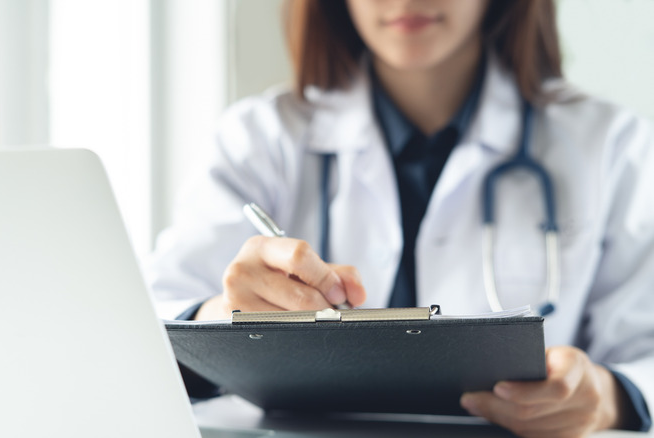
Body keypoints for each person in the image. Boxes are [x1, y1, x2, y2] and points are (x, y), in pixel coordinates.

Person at [146, 0, 653, 436]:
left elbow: (646, 352)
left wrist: (608, 397)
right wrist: (224, 317)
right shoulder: (258, 140)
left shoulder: (609, 146)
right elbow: (147, 332)